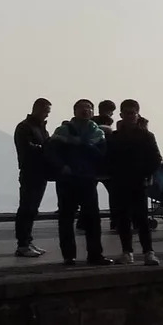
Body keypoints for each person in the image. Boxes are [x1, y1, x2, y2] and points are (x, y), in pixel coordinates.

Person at [50, 97, 110, 265]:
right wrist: (62, 166)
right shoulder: (62, 131)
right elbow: (52, 152)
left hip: (87, 180)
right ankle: (69, 256)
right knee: (66, 218)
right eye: (82, 107)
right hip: (67, 180)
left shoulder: (97, 134)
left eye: (89, 108)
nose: (86, 110)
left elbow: (101, 155)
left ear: (93, 112)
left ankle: (95, 254)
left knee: (93, 218)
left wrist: (86, 145)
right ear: (74, 111)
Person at [106, 99, 162, 264]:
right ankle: (127, 252)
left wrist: (146, 173)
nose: (130, 116)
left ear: (137, 114)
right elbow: (108, 158)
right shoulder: (114, 137)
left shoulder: (146, 136)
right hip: (119, 181)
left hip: (138, 181)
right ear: (121, 115)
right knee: (122, 218)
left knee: (142, 219)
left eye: (133, 113)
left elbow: (156, 158)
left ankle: (148, 252)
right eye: (127, 113)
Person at [13, 97, 52, 258]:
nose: (46, 115)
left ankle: (28, 240)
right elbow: (27, 148)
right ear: (37, 109)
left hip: (41, 172)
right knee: (26, 208)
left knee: (33, 209)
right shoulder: (24, 127)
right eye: (45, 112)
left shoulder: (42, 128)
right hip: (30, 171)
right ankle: (22, 244)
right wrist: (45, 149)